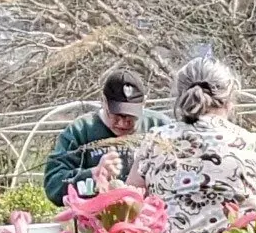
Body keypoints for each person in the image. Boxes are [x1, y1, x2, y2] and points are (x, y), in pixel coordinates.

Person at [126, 57, 256, 233]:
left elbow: (128, 205)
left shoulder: (155, 142)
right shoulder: (252, 145)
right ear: (229, 99)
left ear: (180, 96)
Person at [43, 68, 170, 205]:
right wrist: (93, 174)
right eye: (115, 114)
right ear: (103, 101)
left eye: (130, 116)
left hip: (152, 219)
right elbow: (53, 185)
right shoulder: (80, 131)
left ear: (144, 103)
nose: (122, 123)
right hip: (95, 220)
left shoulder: (160, 127)